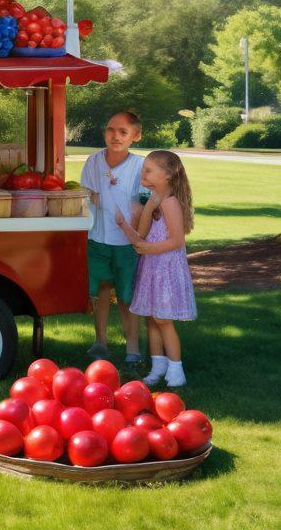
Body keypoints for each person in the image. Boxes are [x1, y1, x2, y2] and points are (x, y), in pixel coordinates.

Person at [117, 149, 196, 388]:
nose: (144, 173)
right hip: (152, 267)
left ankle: (176, 369)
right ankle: (157, 366)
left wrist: (148, 249)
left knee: (163, 319)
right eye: (144, 170)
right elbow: (141, 236)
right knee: (152, 318)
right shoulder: (156, 202)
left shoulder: (171, 203)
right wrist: (126, 222)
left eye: (150, 170)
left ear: (168, 176)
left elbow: (177, 241)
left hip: (166, 269)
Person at [79, 110, 146, 367]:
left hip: (128, 242)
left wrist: (137, 234)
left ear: (135, 136)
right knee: (101, 290)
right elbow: (89, 195)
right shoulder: (94, 162)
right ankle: (101, 341)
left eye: (123, 132)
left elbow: (142, 204)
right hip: (98, 237)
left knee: (127, 295)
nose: (115, 136)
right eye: (110, 130)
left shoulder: (139, 166)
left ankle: (133, 348)